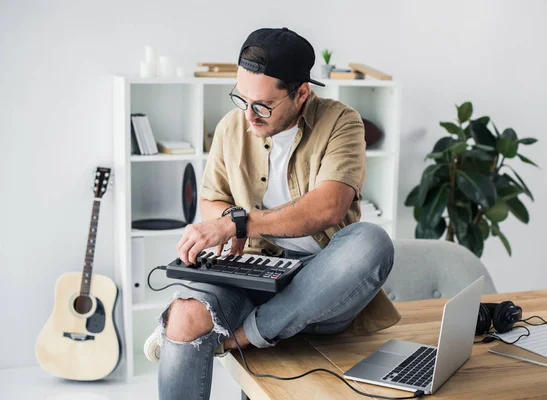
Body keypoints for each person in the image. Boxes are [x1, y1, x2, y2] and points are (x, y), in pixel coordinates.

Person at [144, 27, 401, 399]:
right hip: (250, 273)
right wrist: (224, 223)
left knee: (372, 242)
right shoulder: (231, 127)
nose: (248, 117)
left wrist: (240, 222)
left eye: (262, 106)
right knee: (184, 315)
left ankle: (244, 336)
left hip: (322, 283)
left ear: (301, 93)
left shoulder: (342, 122)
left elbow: (330, 206)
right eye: (241, 99)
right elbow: (212, 199)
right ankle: (220, 330)